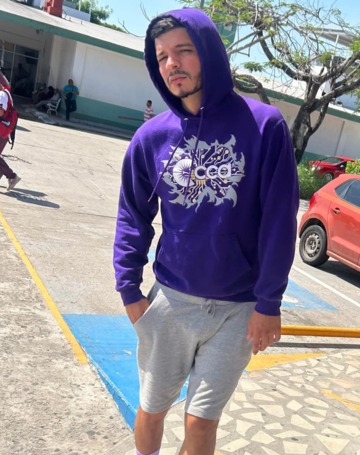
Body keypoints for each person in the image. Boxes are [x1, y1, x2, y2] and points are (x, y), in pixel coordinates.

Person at [112, 8, 299, 455]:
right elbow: (132, 215)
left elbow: (279, 220)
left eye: (183, 50)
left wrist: (269, 303)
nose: (172, 64)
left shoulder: (264, 126)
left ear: (210, 53)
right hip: (172, 300)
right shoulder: (151, 137)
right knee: (152, 408)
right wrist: (130, 291)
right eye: (161, 57)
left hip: (239, 308)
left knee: (200, 421)